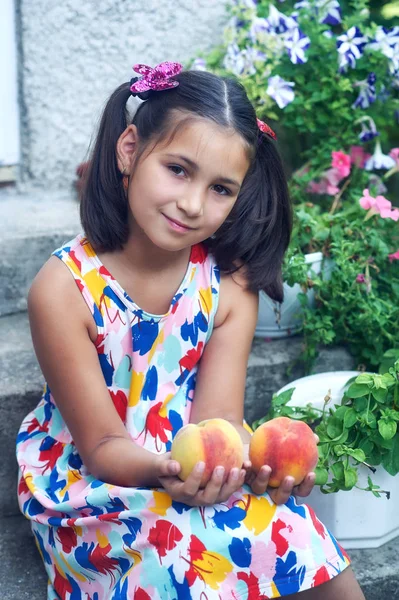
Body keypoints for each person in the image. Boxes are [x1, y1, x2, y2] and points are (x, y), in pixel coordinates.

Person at [16, 61, 365, 600]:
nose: (193, 204)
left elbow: (220, 420)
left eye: (221, 188)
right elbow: (104, 444)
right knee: (178, 549)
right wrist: (167, 471)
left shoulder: (226, 287)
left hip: (197, 462)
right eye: (178, 169)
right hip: (98, 482)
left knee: (298, 533)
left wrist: (264, 468)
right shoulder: (63, 289)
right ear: (130, 149)